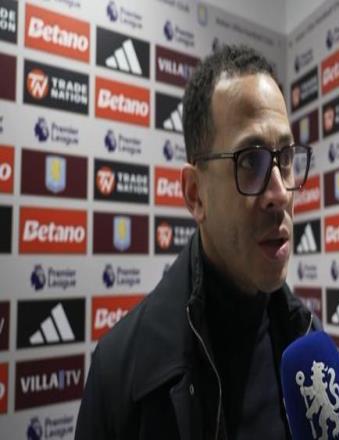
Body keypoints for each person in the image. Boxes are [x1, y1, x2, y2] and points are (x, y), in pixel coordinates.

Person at [75, 44, 319, 440]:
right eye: (250, 161)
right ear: (195, 194)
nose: (279, 193)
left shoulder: (309, 344)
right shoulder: (120, 374)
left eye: (286, 157)